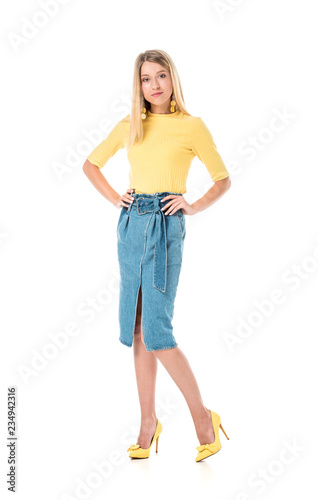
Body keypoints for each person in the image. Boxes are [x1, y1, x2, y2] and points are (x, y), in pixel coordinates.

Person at [83, 49, 231, 462]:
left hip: (166, 226)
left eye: (161, 76)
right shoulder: (130, 125)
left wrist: (192, 205)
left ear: (173, 79)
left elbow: (222, 179)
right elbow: (90, 165)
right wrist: (118, 198)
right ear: (139, 85)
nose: (155, 85)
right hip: (132, 225)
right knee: (135, 328)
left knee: (158, 331)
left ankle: (204, 419)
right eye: (146, 79)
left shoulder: (191, 126)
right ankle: (148, 423)